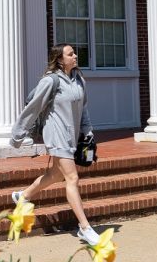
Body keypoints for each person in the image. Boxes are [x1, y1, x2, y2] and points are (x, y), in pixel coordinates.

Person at [10, 44, 101, 245]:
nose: (75, 56)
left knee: (55, 175)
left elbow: (83, 107)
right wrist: (17, 135)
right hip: (56, 135)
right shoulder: (50, 81)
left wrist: (88, 131)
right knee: (72, 178)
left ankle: (23, 196)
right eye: (70, 54)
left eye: (74, 53)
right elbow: (33, 109)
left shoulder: (79, 80)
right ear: (60, 59)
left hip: (72, 136)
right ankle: (84, 228)